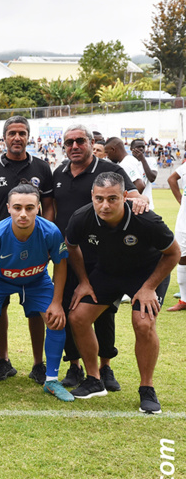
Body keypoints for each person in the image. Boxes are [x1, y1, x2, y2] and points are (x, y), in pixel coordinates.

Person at [66, 172, 178, 413]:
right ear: (92, 197)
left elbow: (173, 254)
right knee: (77, 317)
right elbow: (71, 247)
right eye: (99, 199)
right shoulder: (82, 216)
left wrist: (148, 287)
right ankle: (94, 380)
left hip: (146, 275)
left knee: (143, 323)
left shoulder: (146, 219)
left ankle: (146, 388)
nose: (104, 205)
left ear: (125, 197)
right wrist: (84, 281)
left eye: (112, 199)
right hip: (108, 273)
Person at [52, 124, 145, 391]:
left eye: (80, 141)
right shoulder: (58, 172)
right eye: (69, 142)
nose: (74, 146)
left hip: (105, 256)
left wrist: (139, 201)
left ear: (91, 143)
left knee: (105, 312)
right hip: (69, 253)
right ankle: (74, 366)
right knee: (72, 307)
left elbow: (133, 196)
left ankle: (105, 367)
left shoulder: (110, 170)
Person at [0, 182, 72, 401]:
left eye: (29, 208)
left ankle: (52, 380)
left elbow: (61, 264)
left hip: (37, 280)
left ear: (38, 208)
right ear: (8, 207)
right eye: (17, 207)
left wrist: (57, 302)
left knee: (56, 319)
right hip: (1, 281)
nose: (23, 214)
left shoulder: (50, 231)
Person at [0, 116, 54, 384]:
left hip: (34, 245)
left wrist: (44, 238)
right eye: (12, 133)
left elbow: (49, 207)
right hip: (0, 247)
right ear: (4, 137)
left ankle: (38, 363)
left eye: (22, 133)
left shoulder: (43, 167)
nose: (17, 138)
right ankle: (4, 360)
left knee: (36, 308)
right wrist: (3, 233)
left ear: (29, 136)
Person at [165, 161, 186, 311]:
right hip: (184, 222)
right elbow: (172, 178)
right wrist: (180, 199)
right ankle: (184, 300)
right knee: (182, 257)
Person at [131, 138, 158, 209]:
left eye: (143, 147)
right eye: (138, 147)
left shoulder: (151, 161)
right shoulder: (128, 163)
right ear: (131, 149)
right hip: (132, 203)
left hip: (147, 204)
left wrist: (143, 159)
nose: (141, 149)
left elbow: (152, 178)